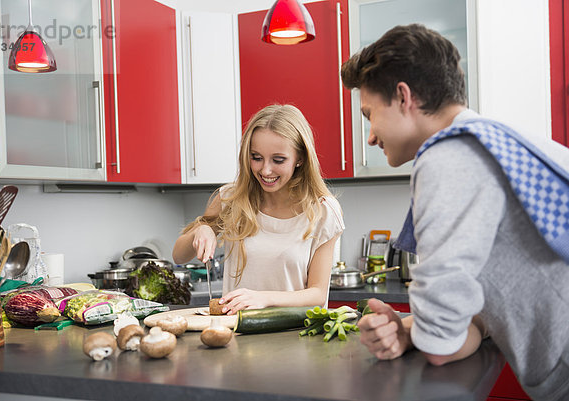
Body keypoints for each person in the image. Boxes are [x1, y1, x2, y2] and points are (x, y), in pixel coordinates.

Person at [340, 23, 569, 401]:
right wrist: (416, 328)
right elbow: (474, 318)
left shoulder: (448, 158)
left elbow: (441, 345)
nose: (370, 136)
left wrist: (414, 331)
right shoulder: (494, 139)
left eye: (369, 115)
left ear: (403, 97)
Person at [172, 104, 344, 316]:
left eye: (278, 160)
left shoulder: (323, 212)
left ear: (300, 158)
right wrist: (202, 230)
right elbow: (179, 256)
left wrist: (263, 298)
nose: (265, 170)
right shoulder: (231, 199)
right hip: (237, 336)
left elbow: (317, 294)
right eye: (256, 157)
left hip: (296, 338)